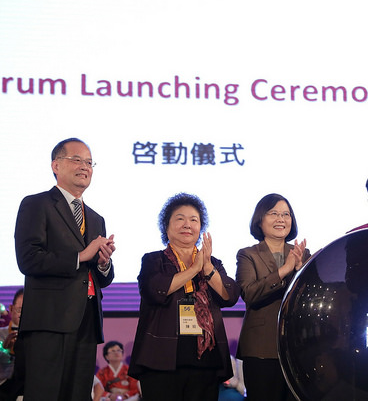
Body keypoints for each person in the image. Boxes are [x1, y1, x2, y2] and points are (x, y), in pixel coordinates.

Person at [14, 137, 115, 400]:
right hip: (49, 321)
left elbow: (102, 278)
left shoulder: (96, 218)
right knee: (45, 394)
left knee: (78, 395)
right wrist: (80, 256)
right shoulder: (36, 204)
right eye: (77, 160)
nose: (85, 167)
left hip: (87, 321)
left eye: (90, 163)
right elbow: (28, 258)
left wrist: (103, 263)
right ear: (56, 165)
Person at [129, 193, 240, 401]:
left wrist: (207, 268)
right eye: (180, 219)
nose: (187, 224)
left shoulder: (213, 263)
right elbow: (154, 291)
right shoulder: (154, 260)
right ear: (167, 227)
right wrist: (193, 269)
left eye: (193, 220)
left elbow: (230, 296)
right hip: (161, 359)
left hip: (206, 360)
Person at [236, 193, 310, 401]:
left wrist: (299, 270)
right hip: (261, 347)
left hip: (297, 347)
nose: (281, 219)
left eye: (286, 214)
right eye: (274, 213)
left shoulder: (303, 254)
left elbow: (310, 301)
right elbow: (249, 293)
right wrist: (284, 270)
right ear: (260, 220)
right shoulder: (248, 254)